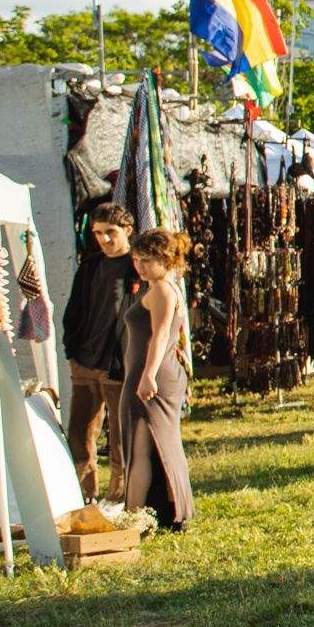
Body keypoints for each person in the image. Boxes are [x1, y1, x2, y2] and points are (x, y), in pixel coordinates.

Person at [120, 229, 196, 534]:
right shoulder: (162, 287)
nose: (140, 266)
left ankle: (134, 517)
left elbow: (161, 333)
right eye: (137, 259)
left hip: (152, 375)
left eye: (148, 260)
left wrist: (148, 374)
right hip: (152, 373)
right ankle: (161, 511)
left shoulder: (164, 289)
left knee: (141, 447)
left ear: (166, 259)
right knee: (157, 445)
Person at [60, 203, 137, 502]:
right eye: (98, 233)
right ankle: (84, 495)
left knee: (119, 435)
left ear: (127, 230)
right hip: (85, 360)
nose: (104, 239)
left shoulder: (137, 264)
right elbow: (74, 309)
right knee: (79, 431)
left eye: (110, 233)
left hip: (116, 363)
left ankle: (119, 495)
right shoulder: (91, 265)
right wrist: (72, 351)